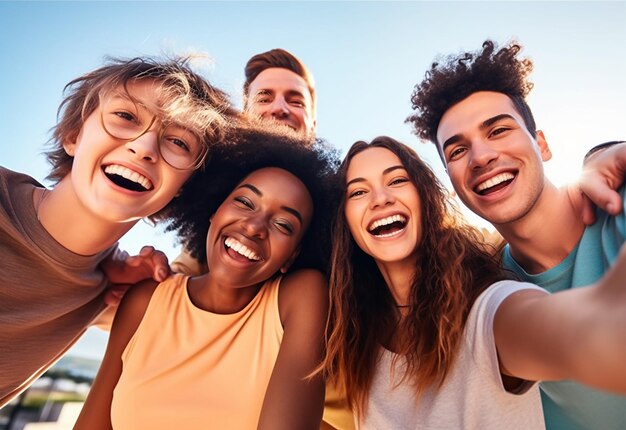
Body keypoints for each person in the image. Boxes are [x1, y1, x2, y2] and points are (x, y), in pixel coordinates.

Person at [319, 136, 626, 429]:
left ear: (426, 198)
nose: (381, 199)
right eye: (358, 192)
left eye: (397, 180)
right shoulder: (354, 342)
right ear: (344, 219)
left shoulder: (485, 309)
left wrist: (601, 326)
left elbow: (570, 333)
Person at [408, 40, 626, 429]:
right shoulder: (482, 296)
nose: (481, 157)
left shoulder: (619, 203)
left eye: (498, 130)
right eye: (457, 152)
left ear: (541, 144)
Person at [0, 55, 238, 408]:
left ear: (183, 191)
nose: (143, 149)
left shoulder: (112, 286)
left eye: (178, 142)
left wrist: (149, 293)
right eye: (126, 117)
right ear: (74, 135)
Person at [74, 130, 338, 430]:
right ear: (214, 210)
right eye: (245, 202)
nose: (254, 227)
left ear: (292, 256)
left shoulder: (301, 296)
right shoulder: (145, 300)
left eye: (283, 224)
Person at [171, 47, 354, 430]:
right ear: (246, 112)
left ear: (313, 121)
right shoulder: (215, 228)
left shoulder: (350, 210)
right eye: (264, 97)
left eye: (295, 99)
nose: (279, 108)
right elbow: (173, 303)